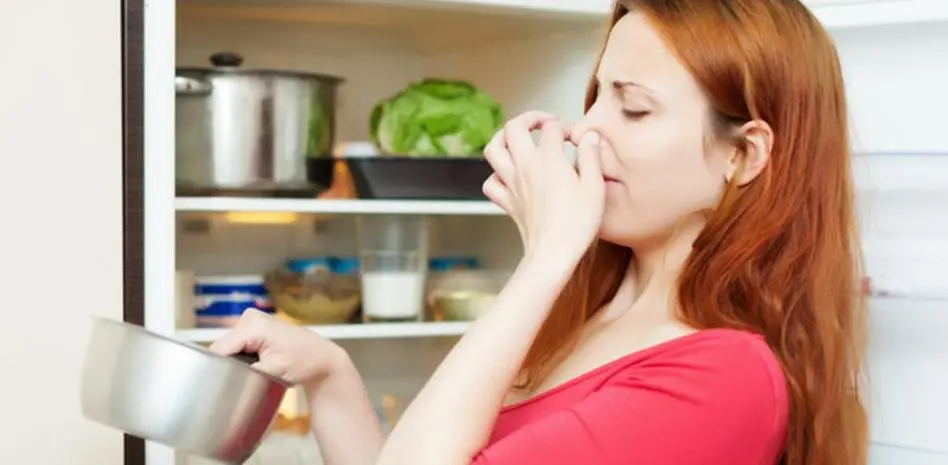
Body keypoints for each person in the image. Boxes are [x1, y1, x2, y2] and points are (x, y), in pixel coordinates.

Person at [209, 1, 869, 464]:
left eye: (634, 107)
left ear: (744, 155)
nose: (588, 128)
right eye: (597, 96)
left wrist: (549, 255)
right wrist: (329, 373)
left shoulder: (722, 379)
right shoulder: (587, 317)